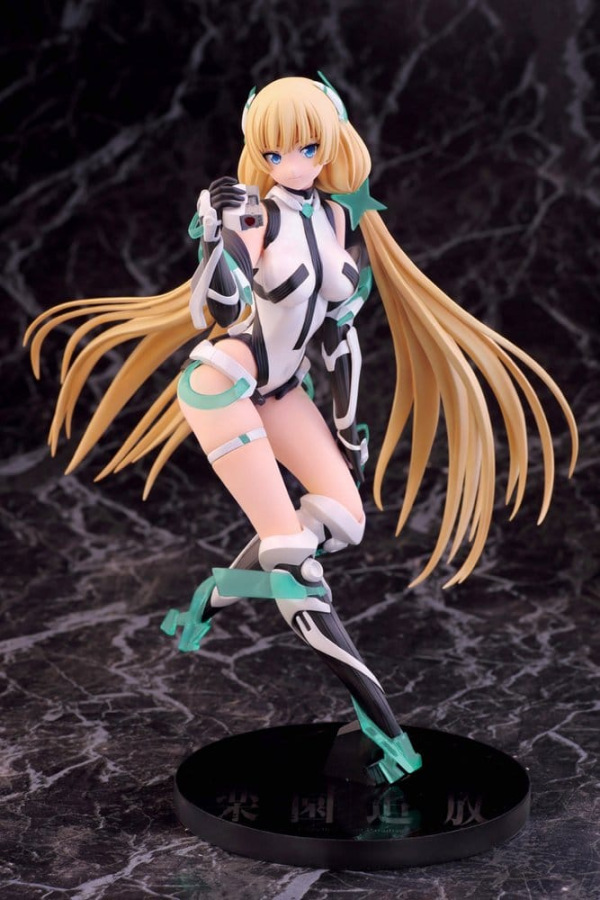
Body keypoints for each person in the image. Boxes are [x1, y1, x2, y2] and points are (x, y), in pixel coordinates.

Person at [25, 75, 578, 784]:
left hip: (286, 390)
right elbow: (224, 310)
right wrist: (220, 236)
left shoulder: (339, 218)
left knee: (345, 523)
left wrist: (349, 428)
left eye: (308, 148)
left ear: (331, 143)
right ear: (259, 153)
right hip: (224, 385)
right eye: (275, 152)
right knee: (297, 566)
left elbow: (337, 340)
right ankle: (387, 733)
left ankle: (214, 593)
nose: (292, 163)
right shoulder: (255, 215)